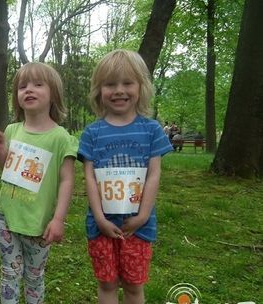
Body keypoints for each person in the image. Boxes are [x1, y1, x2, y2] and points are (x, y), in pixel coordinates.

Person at [77, 49, 172, 304]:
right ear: (99, 90)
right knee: (107, 284)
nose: (119, 90)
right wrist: (99, 218)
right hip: (101, 225)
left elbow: (154, 175)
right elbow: (90, 179)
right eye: (110, 84)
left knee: (133, 286)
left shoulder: (151, 130)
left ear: (141, 87)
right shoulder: (92, 134)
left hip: (139, 228)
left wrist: (142, 216)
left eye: (127, 83)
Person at [0, 62, 77, 304]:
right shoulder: (12, 130)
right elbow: (7, 169)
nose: (29, 89)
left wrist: (58, 219)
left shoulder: (60, 138)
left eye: (38, 84)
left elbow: (67, 180)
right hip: (7, 215)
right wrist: (0, 149)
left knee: (34, 276)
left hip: (39, 222)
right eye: (22, 86)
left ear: (53, 95)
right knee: (9, 272)